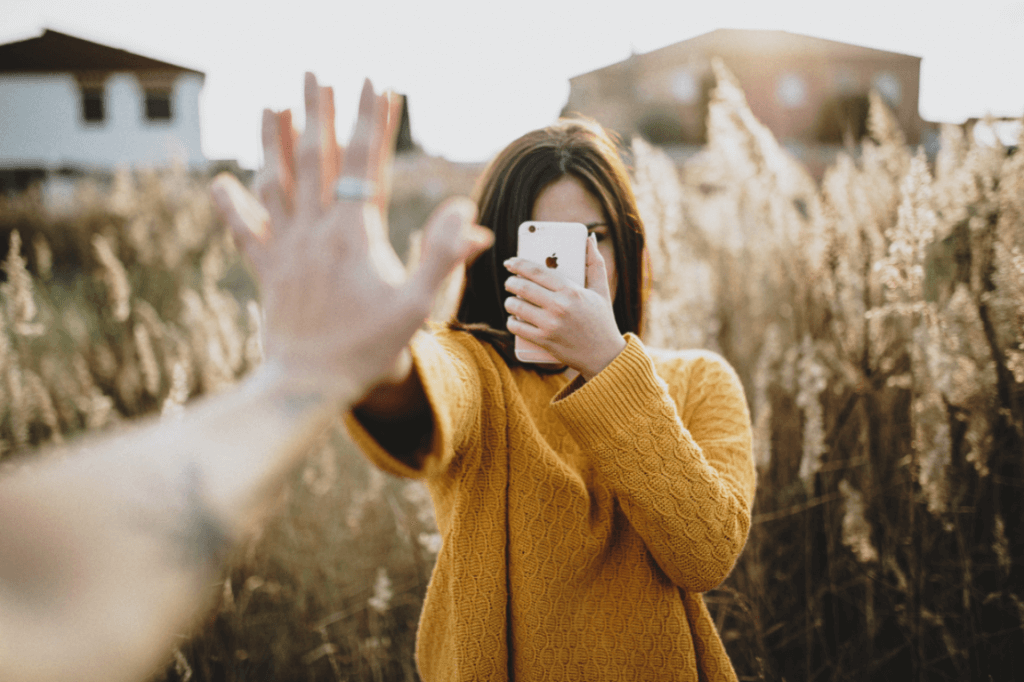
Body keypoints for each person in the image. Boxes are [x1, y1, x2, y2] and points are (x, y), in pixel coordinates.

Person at [0, 74, 491, 682]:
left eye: (596, 238)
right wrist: (308, 373)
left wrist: (303, 374)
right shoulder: (479, 365)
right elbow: (33, 587)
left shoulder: (648, 373)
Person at [335, 85, 758, 679]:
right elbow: (425, 395)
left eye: (597, 236)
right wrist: (382, 357)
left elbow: (707, 553)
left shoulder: (699, 381)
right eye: (544, 244)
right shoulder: (477, 369)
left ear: (627, 244)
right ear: (500, 255)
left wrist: (609, 366)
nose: (577, 268)